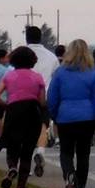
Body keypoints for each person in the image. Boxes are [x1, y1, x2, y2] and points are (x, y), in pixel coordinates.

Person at [47, 39, 95, 188]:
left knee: (66, 152)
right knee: (83, 153)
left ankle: (69, 174)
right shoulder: (92, 73)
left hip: (65, 117)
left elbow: (52, 96)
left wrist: (53, 113)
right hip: (87, 117)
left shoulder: (60, 73)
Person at [0, 46, 47, 188]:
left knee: (12, 144)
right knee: (27, 150)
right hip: (32, 113)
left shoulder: (9, 76)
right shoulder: (38, 77)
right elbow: (42, 101)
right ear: (33, 60)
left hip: (14, 112)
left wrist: (7, 106)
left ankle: (11, 167)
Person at [24, 25, 59, 171]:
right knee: (42, 126)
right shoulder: (51, 57)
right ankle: (40, 151)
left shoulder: (22, 53)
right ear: (41, 37)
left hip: (24, 97)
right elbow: (56, 77)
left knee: (25, 128)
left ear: (26, 38)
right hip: (43, 97)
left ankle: (27, 162)